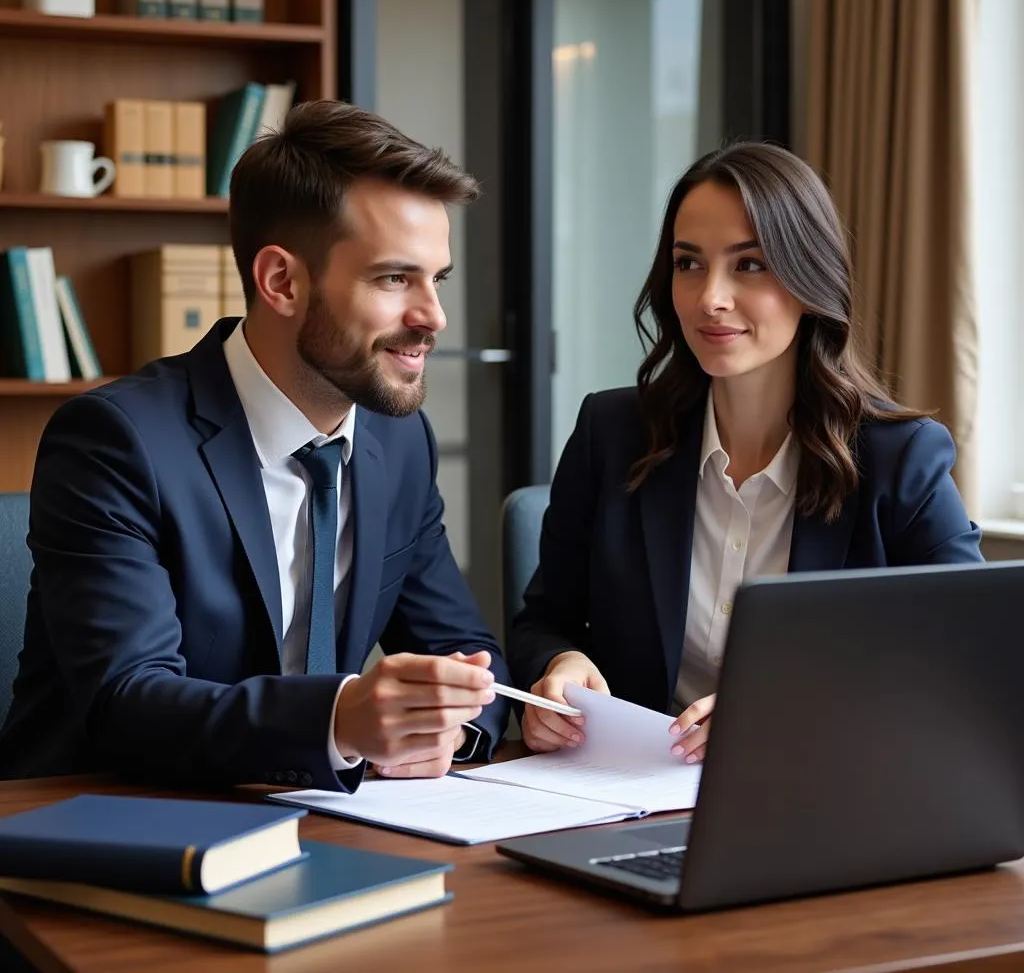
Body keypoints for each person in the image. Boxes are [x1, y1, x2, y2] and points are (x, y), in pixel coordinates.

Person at [0, 100, 510, 790]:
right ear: (282, 282)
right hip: (106, 826)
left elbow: (469, 656)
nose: (433, 317)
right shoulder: (117, 442)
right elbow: (128, 702)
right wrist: (339, 723)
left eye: (436, 279)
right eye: (395, 278)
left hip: (326, 819)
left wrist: (448, 730)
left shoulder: (398, 440)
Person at [508, 142, 982, 763]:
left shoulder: (898, 458)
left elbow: (971, 654)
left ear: (810, 279)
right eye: (688, 264)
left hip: (817, 793)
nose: (711, 298)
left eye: (750, 265)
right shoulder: (612, 430)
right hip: (624, 796)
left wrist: (787, 706)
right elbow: (543, 620)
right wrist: (559, 666)